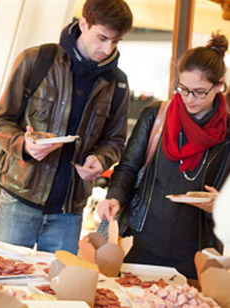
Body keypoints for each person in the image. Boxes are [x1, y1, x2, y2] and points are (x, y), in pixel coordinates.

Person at [0, 0, 133, 254]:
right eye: (102, 37)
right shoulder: (36, 60)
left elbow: (116, 141)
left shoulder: (118, 84)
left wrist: (101, 159)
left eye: (116, 42)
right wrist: (24, 145)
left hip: (69, 212)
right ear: (84, 23)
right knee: (5, 282)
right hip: (18, 201)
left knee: (58, 290)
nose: (107, 48)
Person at [97, 33, 230, 279]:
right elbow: (127, 168)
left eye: (200, 92)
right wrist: (114, 197)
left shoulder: (227, 132)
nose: (189, 99)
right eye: (183, 89)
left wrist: (220, 206)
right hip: (141, 242)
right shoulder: (155, 116)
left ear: (219, 85)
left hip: (197, 251)